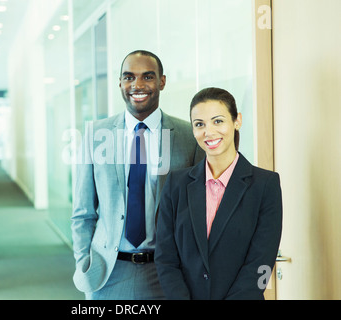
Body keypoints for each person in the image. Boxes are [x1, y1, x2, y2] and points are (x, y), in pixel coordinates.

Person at [71, 50, 204, 300]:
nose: (138, 85)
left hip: (166, 273)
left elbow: (197, 214)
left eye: (148, 77)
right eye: (129, 77)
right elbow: (83, 212)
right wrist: (84, 261)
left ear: (162, 81)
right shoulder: (95, 134)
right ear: (120, 82)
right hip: (107, 273)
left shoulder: (189, 138)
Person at [155, 87, 282, 300]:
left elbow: (261, 263)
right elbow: (165, 258)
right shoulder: (176, 184)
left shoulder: (265, 185)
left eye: (218, 121)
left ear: (237, 121)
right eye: (199, 124)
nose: (209, 132)